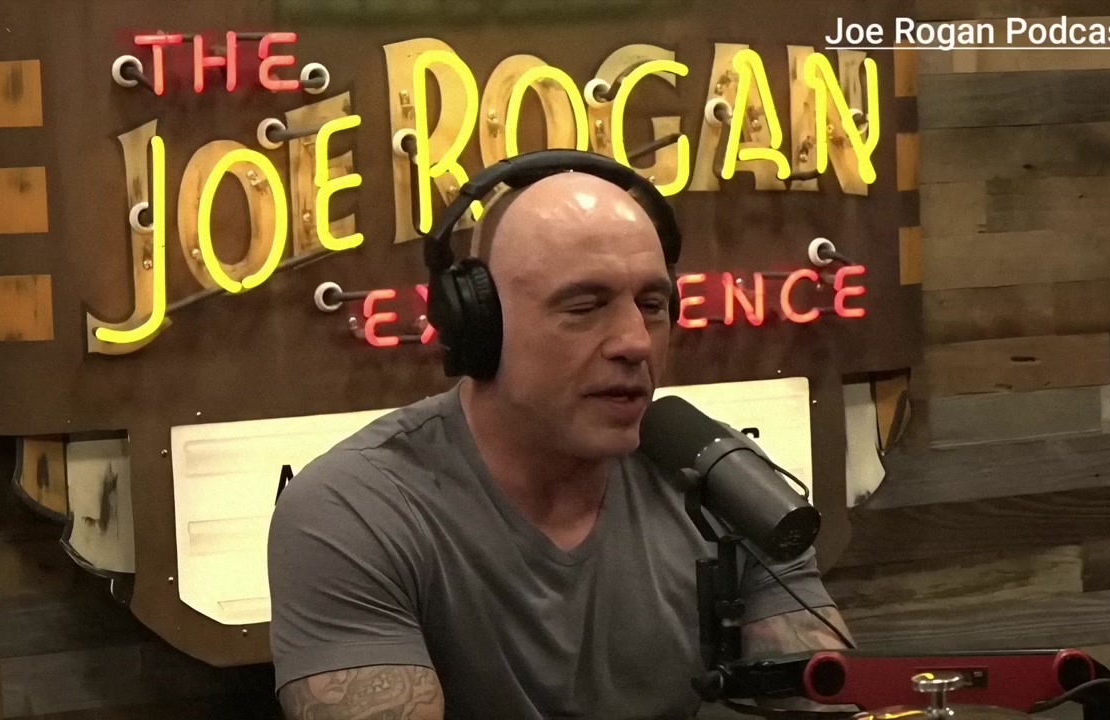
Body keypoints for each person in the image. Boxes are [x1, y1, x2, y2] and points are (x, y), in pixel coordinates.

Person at [267, 164, 851, 720]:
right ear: (481, 327)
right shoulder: (354, 510)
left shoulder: (719, 478)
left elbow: (829, 699)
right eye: (584, 307)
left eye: (652, 305)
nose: (635, 343)